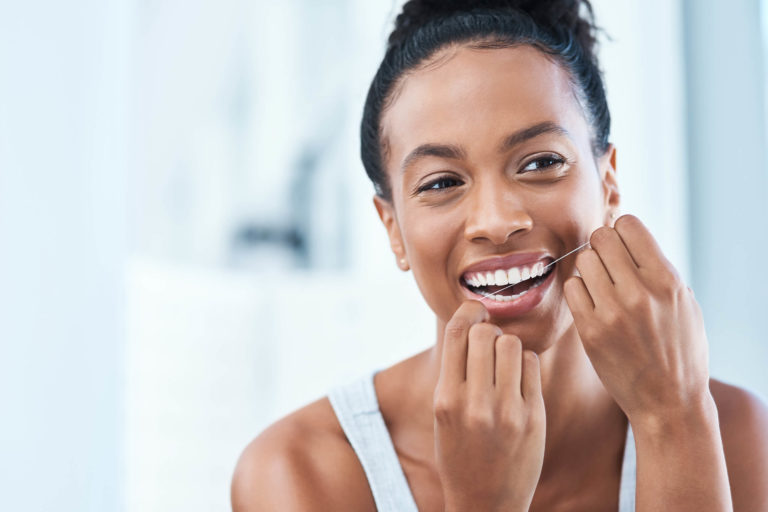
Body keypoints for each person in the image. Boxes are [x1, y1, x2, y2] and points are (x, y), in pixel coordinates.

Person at [231, 1, 768, 510]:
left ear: (608, 185)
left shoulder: (734, 435)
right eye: (442, 182)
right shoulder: (300, 475)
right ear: (392, 228)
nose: (496, 221)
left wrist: (672, 421)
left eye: (539, 163)